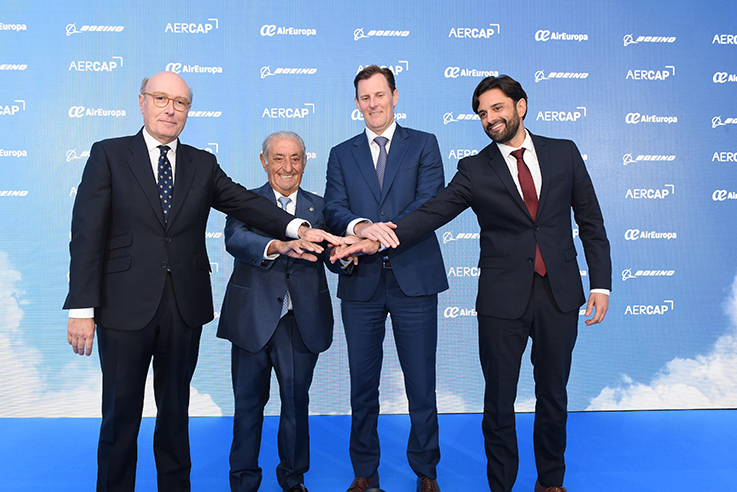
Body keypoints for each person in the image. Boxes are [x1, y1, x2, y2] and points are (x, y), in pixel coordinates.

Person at [333, 75, 612, 492]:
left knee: (553, 395)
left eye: (497, 108)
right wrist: (375, 238)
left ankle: (551, 482)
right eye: (482, 113)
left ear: (521, 105)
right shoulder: (474, 168)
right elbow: (432, 212)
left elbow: (590, 221)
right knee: (498, 402)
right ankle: (501, 485)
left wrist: (601, 285)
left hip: (560, 295)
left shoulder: (564, 153)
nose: (490, 119)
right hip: (501, 300)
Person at [63, 71, 339, 492]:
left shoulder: (202, 163)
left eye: (181, 102)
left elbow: (248, 203)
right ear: (142, 102)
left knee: (176, 413)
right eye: (161, 98)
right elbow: (86, 234)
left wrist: (297, 228)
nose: (170, 109)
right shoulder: (109, 155)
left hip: (184, 308)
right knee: (120, 417)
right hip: (122, 309)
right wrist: (83, 309)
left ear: (189, 111)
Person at [323, 65, 447, 492]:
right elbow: (334, 208)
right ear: (356, 103)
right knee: (362, 384)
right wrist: (359, 227)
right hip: (361, 284)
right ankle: (365, 473)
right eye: (364, 97)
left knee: (421, 383)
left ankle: (426, 473)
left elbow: (430, 204)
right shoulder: (341, 153)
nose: (373, 104)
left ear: (395, 96)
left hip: (415, 277)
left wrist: (380, 238)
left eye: (380, 95)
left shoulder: (425, 144)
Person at [217, 131, 350, 492]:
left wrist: (345, 257)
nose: (287, 167)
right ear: (264, 162)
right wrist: (278, 245)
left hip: (299, 322)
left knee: (295, 403)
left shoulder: (322, 208)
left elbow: (333, 257)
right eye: (278, 158)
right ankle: (243, 481)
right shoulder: (245, 201)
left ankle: (293, 479)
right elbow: (236, 239)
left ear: (305, 162)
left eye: (295, 158)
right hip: (251, 319)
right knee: (247, 406)